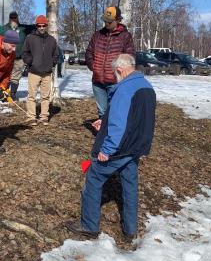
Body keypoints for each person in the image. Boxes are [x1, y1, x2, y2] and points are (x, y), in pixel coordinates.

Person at [65, 54, 156, 243]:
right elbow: (135, 117)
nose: (115, 77)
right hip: (136, 147)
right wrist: (104, 121)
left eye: (115, 73)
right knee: (130, 186)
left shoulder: (124, 90)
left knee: (94, 177)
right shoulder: (146, 86)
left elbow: (119, 125)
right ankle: (130, 230)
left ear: (120, 70)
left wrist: (106, 150)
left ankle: (89, 226)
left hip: (119, 148)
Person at [85, 6, 135, 118]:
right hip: (98, 82)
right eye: (105, 20)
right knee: (102, 112)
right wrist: (93, 67)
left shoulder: (125, 36)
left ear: (118, 20)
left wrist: (119, 72)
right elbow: (89, 52)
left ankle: (115, 135)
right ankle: (103, 134)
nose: (106, 23)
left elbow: (130, 57)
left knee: (115, 112)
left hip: (116, 82)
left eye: (110, 21)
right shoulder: (97, 35)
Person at [22, 15, 58, 126]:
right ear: (36, 26)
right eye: (39, 26)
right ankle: (31, 117)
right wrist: (31, 62)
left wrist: (51, 63)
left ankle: (44, 116)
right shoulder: (30, 38)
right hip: (33, 72)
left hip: (47, 73)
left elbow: (56, 54)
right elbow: (25, 53)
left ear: (46, 26)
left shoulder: (52, 40)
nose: (41, 28)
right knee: (32, 96)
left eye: (43, 26)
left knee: (45, 96)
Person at [0, 11, 34, 97]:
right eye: (12, 18)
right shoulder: (4, 29)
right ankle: (3, 94)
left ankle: (12, 94)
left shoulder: (23, 28)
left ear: (17, 18)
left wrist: (41, 23)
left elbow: (35, 27)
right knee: (5, 76)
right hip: (7, 57)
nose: (14, 19)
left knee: (15, 77)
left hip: (20, 58)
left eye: (15, 18)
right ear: (9, 19)